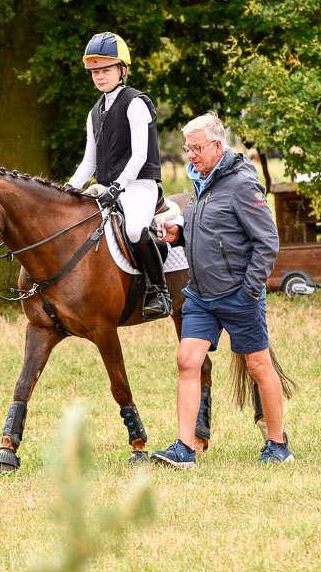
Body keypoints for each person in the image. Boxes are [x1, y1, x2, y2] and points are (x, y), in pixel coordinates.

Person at [151, 112, 294, 466]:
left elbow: (267, 241)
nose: (191, 155)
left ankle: (278, 446)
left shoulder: (242, 184)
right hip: (200, 295)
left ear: (217, 145)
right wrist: (179, 234)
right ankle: (185, 448)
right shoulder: (201, 180)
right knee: (187, 360)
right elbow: (214, 232)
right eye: (187, 148)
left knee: (258, 366)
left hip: (238, 295)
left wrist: (249, 290)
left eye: (197, 148)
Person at [66, 32, 172, 319]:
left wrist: (117, 186)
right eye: (95, 72)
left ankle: (159, 291)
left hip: (139, 184)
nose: (100, 77)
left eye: (106, 70)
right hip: (108, 187)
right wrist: (70, 188)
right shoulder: (94, 112)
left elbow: (139, 155)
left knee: (136, 229)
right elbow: (89, 161)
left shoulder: (136, 103)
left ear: (122, 70)